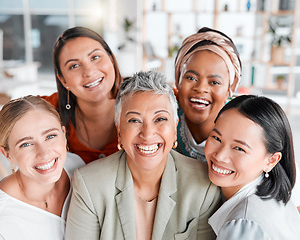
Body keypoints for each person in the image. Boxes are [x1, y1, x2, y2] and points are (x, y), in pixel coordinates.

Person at [173, 27, 300, 239]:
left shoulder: (257, 132)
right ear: (177, 80)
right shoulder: (163, 126)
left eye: (214, 81)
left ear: (231, 87)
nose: (201, 88)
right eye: (190, 77)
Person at [65, 71, 221, 240]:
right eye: (134, 120)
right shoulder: (90, 184)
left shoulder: (203, 185)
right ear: (119, 131)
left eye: (160, 119)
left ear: (175, 128)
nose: (147, 134)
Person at [0, 26, 123, 164]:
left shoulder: (138, 100)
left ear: (111, 59)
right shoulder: (51, 108)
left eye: (95, 57)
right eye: (74, 66)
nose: (89, 72)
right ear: (63, 80)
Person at [0, 95, 85, 240]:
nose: (44, 153)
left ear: (63, 134)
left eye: (50, 136)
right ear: (7, 154)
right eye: (26, 144)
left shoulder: (76, 167)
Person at [204, 95, 300, 239]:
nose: (220, 156)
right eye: (216, 138)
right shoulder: (274, 195)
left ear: (271, 160)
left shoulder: (245, 223)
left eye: (239, 148)